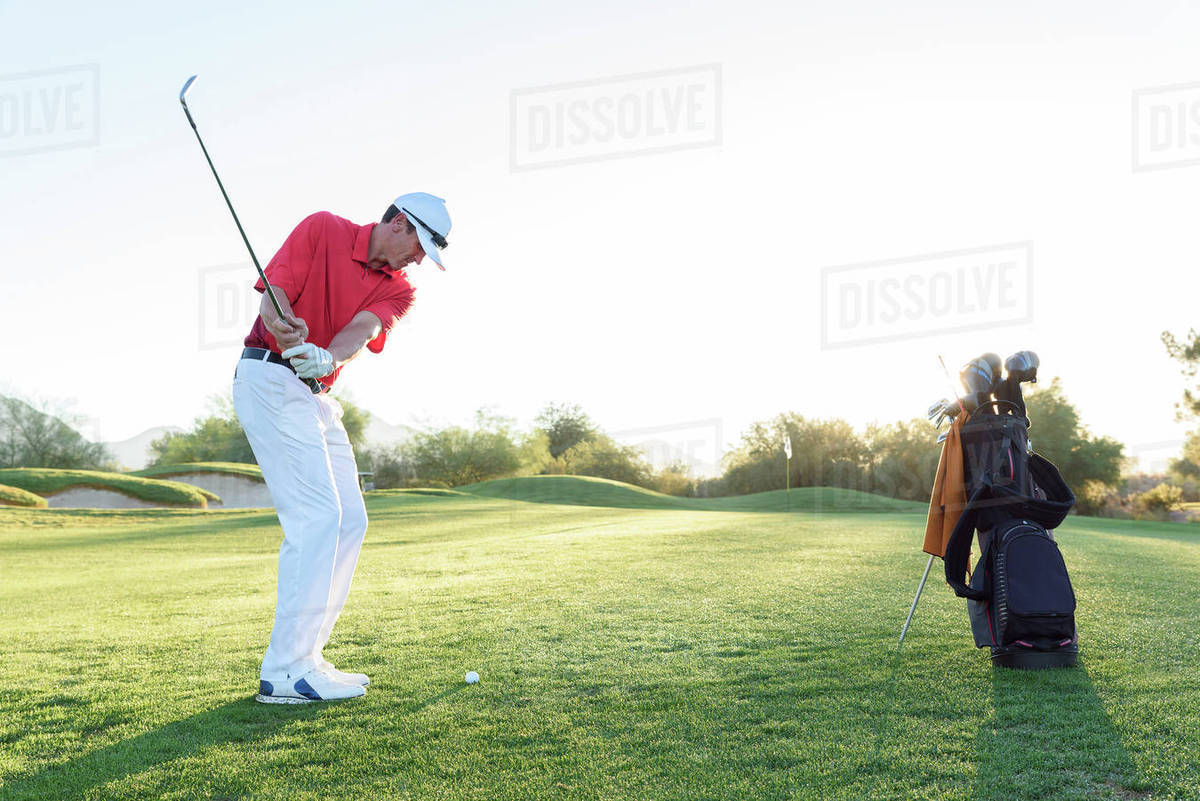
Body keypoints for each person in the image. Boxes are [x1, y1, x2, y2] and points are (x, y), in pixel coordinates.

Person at [232, 192, 452, 704]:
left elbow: (363, 328)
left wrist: (326, 358)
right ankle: (284, 671)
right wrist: (285, 329)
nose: (419, 261)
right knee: (318, 517)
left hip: (315, 395)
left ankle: (307, 658)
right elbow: (274, 296)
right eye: (419, 247)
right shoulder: (323, 228)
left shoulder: (399, 289)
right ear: (398, 224)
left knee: (350, 520)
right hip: (268, 377)